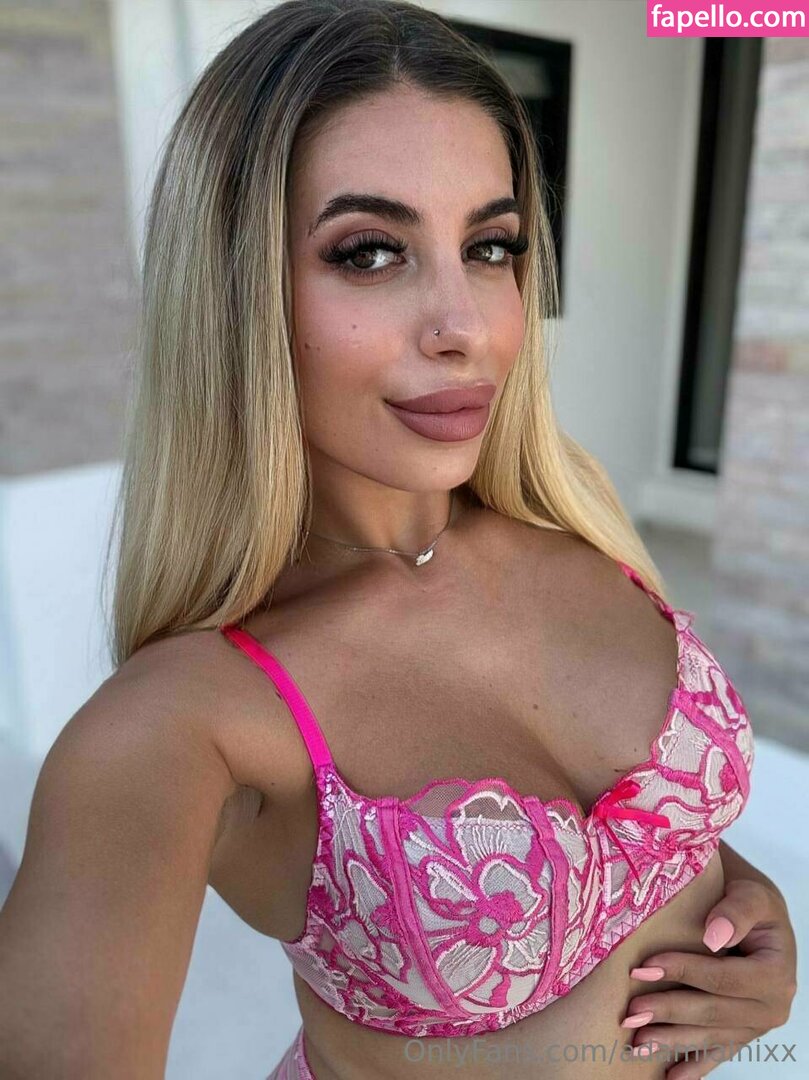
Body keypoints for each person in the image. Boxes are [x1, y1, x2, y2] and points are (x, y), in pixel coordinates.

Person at [0, 1, 796, 1078]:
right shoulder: (183, 727)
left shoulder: (577, 521)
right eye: (369, 252)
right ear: (235, 298)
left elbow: (641, 836)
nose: (464, 326)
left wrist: (744, 907)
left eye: (489, 246)